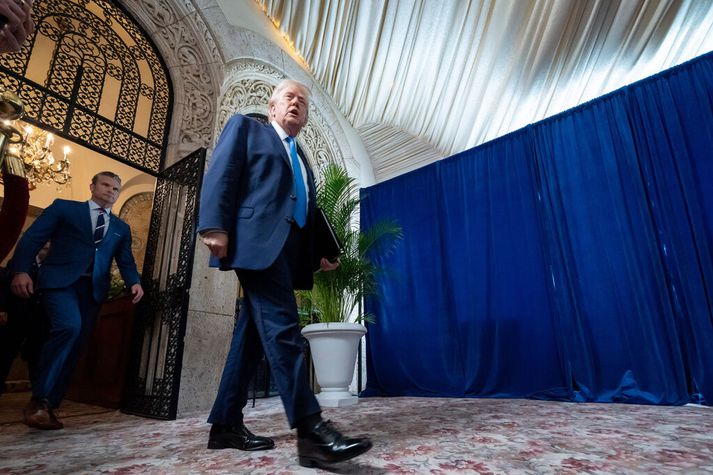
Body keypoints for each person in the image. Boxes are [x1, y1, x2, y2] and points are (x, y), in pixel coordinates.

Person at [198, 79, 372, 468]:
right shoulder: (247, 128)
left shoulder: (302, 159)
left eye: (302, 102)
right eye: (289, 98)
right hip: (255, 243)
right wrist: (214, 224)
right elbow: (223, 172)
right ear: (273, 107)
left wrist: (320, 253)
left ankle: (224, 424)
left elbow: (303, 209)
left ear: (305, 117)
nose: (296, 104)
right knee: (283, 327)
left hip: (287, 253)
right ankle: (312, 431)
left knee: (251, 337)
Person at [9, 171, 144, 430]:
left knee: (76, 344)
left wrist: (134, 282)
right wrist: (21, 270)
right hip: (59, 283)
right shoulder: (65, 208)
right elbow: (33, 238)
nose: (111, 191)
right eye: (105, 185)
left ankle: (49, 405)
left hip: (92, 291)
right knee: (69, 326)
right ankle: (39, 400)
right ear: (92, 186)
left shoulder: (121, 228)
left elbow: (125, 260)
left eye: (115, 189)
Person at [0, 241, 50, 391]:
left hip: (39, 320)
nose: (47, 247)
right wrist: (2, 309)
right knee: (6, 353)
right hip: (16, 316)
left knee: (36, 355)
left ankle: (38, 394)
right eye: (45, 244)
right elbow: (4, 286)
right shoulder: (20, 263)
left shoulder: (52, 267)